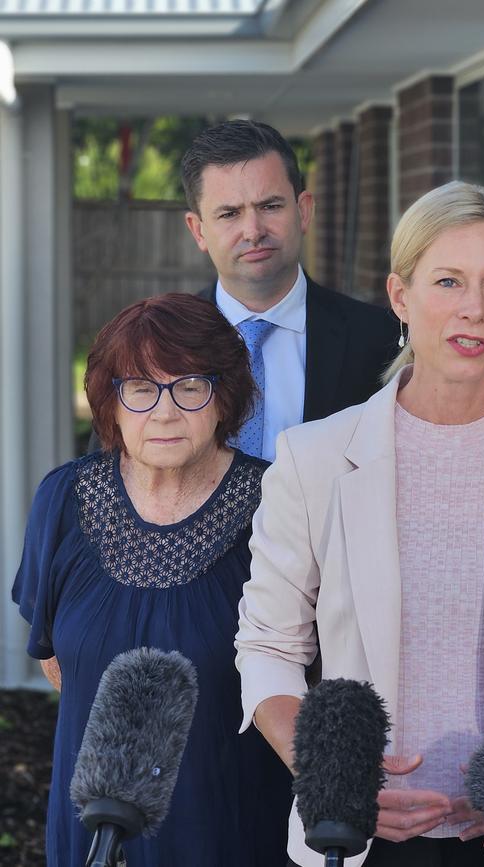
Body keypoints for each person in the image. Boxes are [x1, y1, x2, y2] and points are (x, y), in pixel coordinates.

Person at [235, 181, 484, 867]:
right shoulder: (313, 459)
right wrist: (331, 781)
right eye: (449, 280)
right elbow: (268, 646)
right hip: (356, 838)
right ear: (401, 296)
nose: (473, 309)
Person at [13, 293, 293, 867]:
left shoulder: (281, 505)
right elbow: (58, 665)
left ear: (226, 397)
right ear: (110, 404)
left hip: (227, 834)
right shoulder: (64, 499)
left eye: (190, 386)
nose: (165, 412)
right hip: (88, 838)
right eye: (140, 389)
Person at [182, 119, 399, 460]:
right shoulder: (154, 343)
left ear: (303, 211)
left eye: (270, 206)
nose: (253, 231)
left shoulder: (380, 340)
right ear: (198, 230)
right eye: (229, 214)